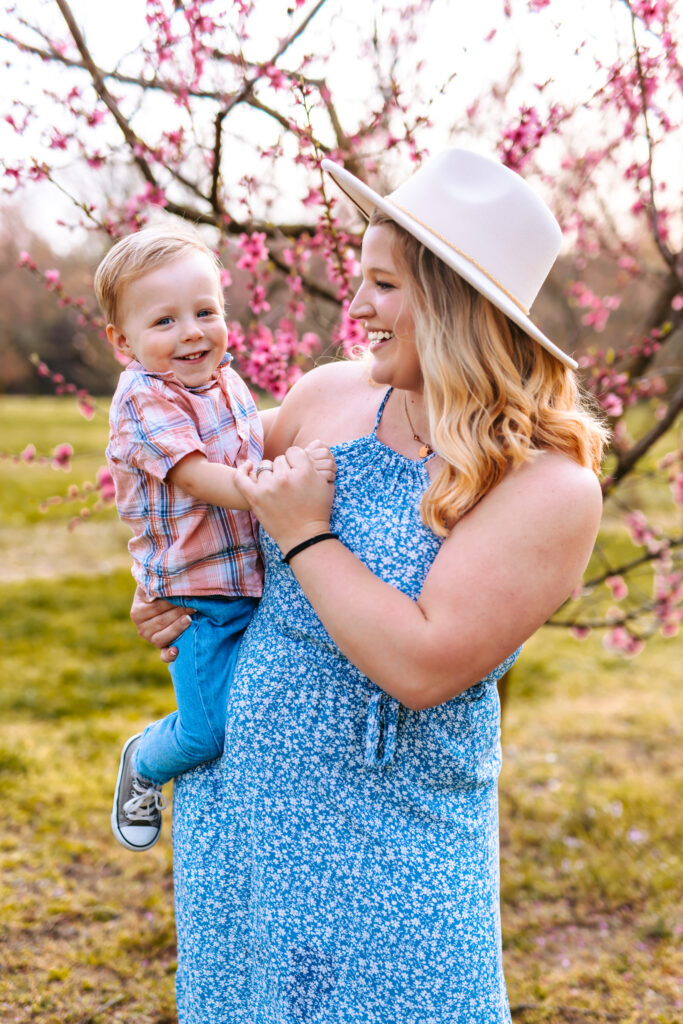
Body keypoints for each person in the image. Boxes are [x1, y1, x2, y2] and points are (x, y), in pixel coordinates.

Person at [131, 149, 607, 1022]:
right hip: (245, 810)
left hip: (393, 843)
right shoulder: (326, 395)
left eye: (382, 285)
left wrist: (306, 533)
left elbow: (424, 664)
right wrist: (167, 587)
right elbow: (194, 484)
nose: (354, 309)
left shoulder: (547, 487)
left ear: (456, 305)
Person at [95, 224, 334, 853]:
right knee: (207, 734)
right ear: (123, 341)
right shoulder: (141, 399)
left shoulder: (224, 382)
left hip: (245, 581)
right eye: (165, 322)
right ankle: (144, 762)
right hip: (195, 598)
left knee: (254, 717)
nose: (192, 332)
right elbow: (196, 475)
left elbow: (257, 436)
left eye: (205, 312)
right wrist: (270, 489)